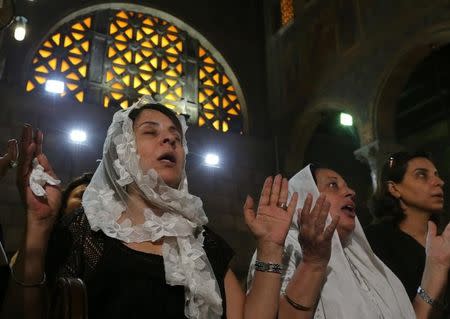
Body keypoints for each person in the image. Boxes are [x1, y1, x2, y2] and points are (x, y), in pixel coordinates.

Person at [2, 96, 296, 319]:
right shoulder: (85, 231)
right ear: (123, 151)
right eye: (150, 132)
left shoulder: (202, 243)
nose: (169, 138)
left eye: (175, 136)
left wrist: (270, 247)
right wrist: (38, 229)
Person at [248, 164, 450, 319]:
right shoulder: (288, 246)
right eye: (333, 185)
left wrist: (436, 269)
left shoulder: (365, 260)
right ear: (304, 196)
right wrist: (313, 263)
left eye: (347, 186)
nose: (351, 192)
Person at [366, 151, 449, 317]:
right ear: (394, 188)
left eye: (436, 175)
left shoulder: (444, 240)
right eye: (421, 175)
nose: (439, 182)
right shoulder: (376, 241)